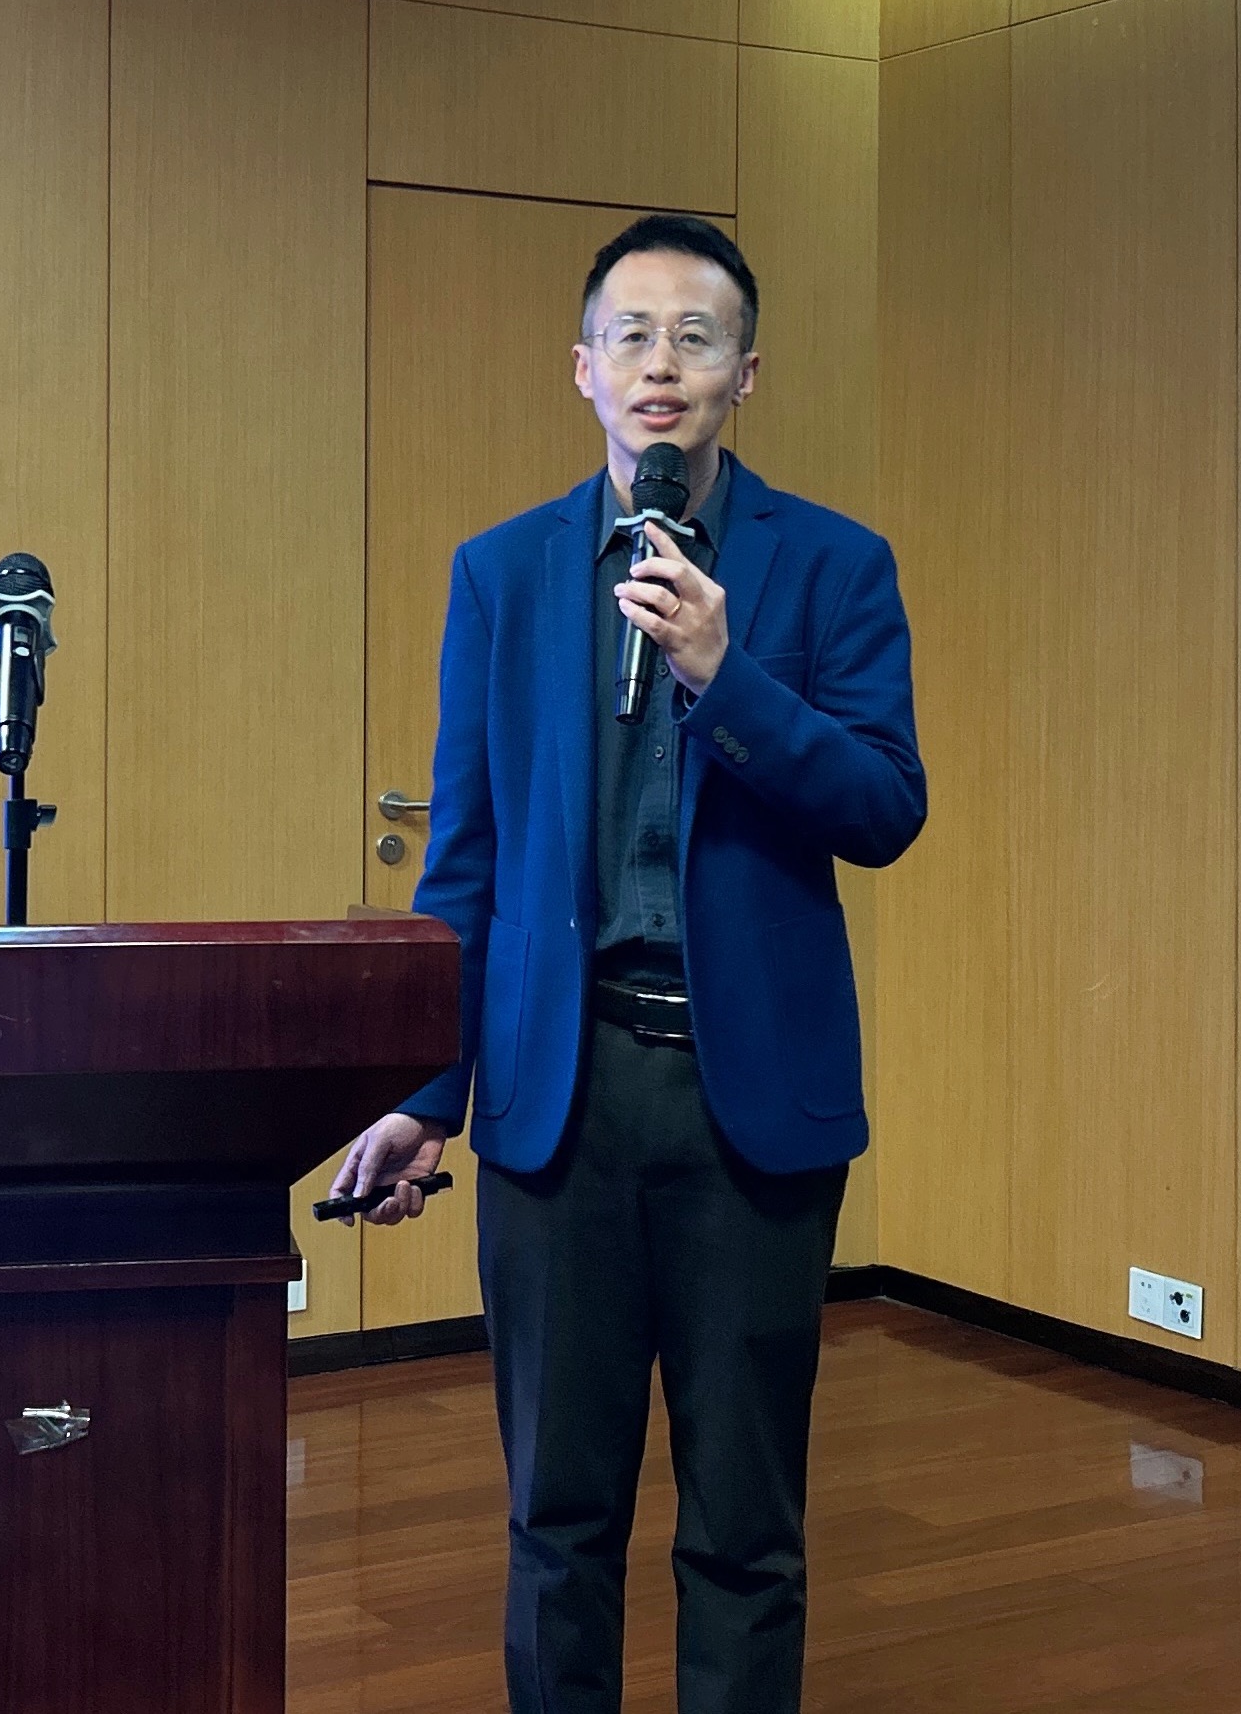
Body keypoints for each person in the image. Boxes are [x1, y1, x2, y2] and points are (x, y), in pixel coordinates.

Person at [332, 212, 927, 1714]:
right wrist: (428, 1092)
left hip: (750, 1108)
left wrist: (730, 677)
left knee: (746, 1526)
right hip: (562, 1099)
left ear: (747, 374)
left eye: (697, 338)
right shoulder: (505, 574)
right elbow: (466, 861)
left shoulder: (834, 566)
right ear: (584, 369)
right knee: (558, 1517)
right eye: (633, 337)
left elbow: (884, 809)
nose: (664, 364)